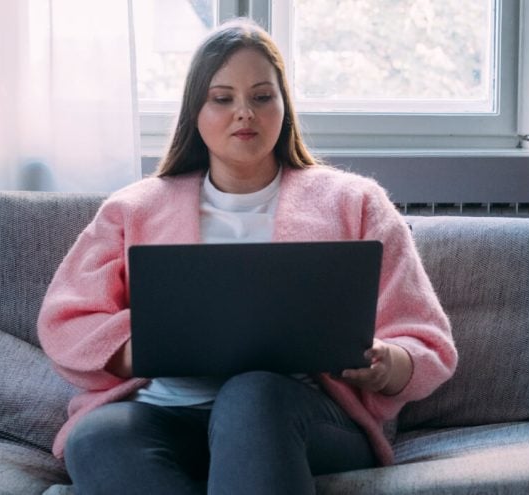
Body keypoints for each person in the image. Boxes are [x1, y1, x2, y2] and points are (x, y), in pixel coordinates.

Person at [37, 18, 458, 495]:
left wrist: (388, 364)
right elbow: (67, 319)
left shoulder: (355, 202)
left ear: (284, 107)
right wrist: (137, 351)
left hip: (298, 419)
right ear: (195, 111)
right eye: (223, 98)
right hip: (166, 414)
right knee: (96, 437)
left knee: (251, 393)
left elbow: (425, 337)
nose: (244, 113)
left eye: (261, 97)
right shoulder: (132, 209)